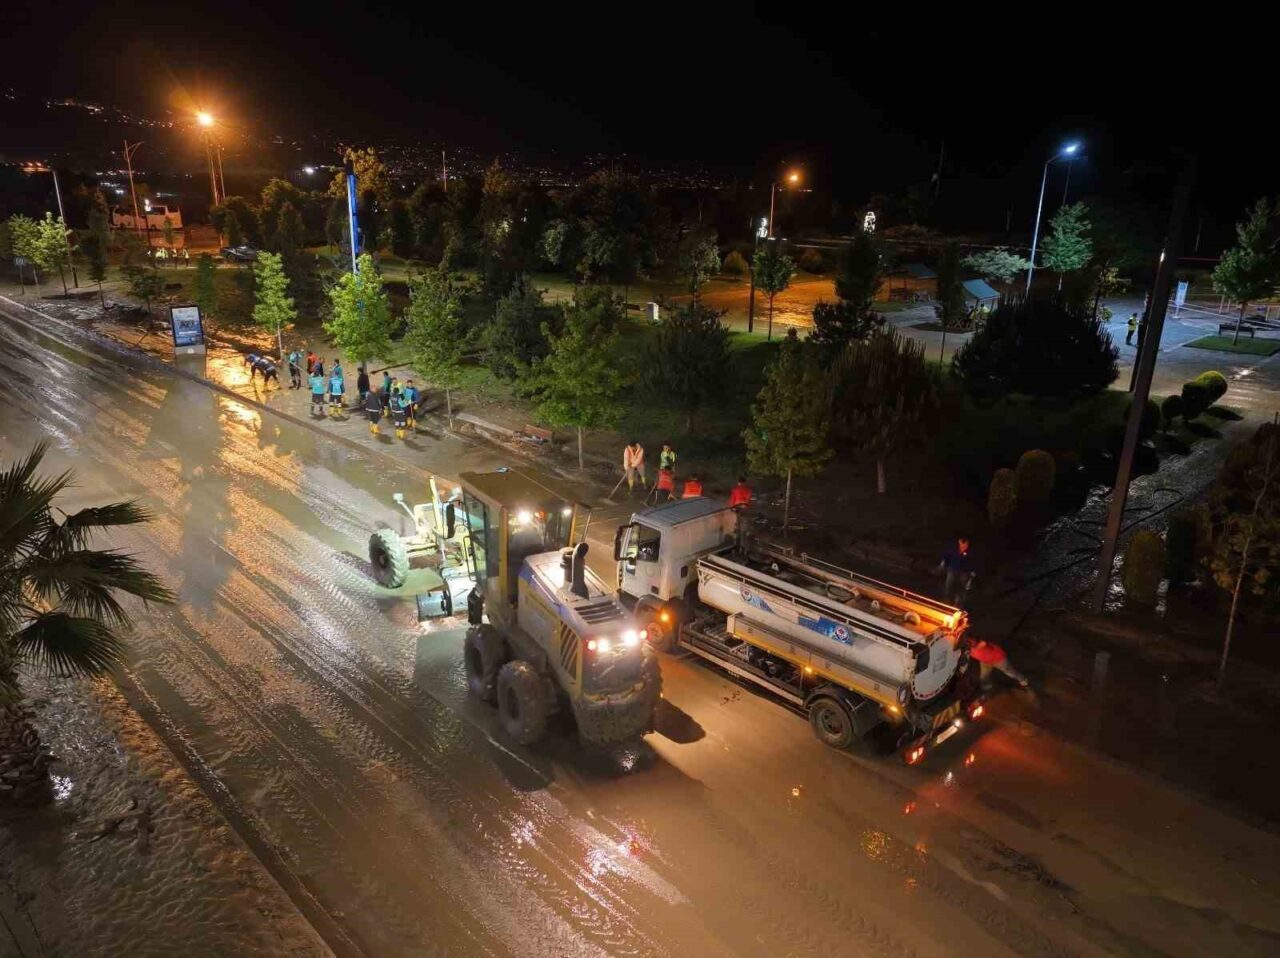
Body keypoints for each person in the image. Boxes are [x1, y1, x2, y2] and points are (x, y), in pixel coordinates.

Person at [935, 536, 975, 608]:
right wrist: (943, 562)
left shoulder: (971, 552)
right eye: (961, 544)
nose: (963, 546)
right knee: (948, 586)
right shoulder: (954, 549)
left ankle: (958, 605)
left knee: (961, 589)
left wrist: (972, 574)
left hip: (964, 573)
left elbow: (974, 563)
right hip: (952, 570)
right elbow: (947, 556)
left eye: (965, 544)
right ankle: (946, 602)